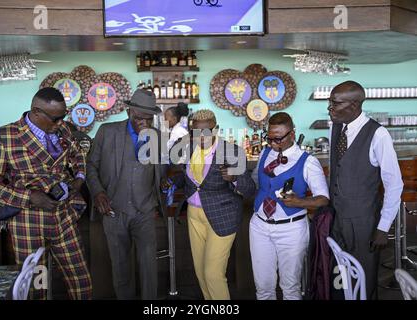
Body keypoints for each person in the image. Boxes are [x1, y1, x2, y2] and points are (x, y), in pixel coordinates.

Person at [0, 87, 92, 299]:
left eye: (63, 117)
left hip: (64, 216)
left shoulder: (64, 128)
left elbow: (78, 156)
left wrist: (79, 179)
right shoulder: (6, 136)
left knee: (81, 280)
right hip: (28, 222)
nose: (60, 123)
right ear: (36, 111)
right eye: (56, 118)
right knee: (36, 286)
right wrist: (30, 197)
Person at [165, 109, 255, 300]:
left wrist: (234, 177)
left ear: (216, 130)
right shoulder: (189, 150)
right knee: (200, 272)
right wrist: (173, 181)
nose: (201, 137)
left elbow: (249, 189)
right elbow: (192, 179)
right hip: (194, 216)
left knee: (213, 273)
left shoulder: (231, 152)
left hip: (222, 216)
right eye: (195, 133)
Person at [86, 89, 166, 300]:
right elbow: (91, 166)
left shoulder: (156, 136)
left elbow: (160, 170)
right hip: (114, 209)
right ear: (129, 111)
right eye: (139, 117)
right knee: (121, 267)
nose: (144, 122)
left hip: (145, 211)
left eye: (148, 118)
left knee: (149, 267)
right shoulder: (107, 131)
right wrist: (98, 193)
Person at [328, 81, 403, 300]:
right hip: (337, 218)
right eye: (330, 102)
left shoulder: (378, 135)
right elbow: (336, 172)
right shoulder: (335, 127)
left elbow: (394, 183)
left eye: (335, 102)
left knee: (363, 278)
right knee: (338, 275)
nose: (330, 107)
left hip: (364, 222)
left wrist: (383, 227)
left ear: (354, 105)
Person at [250, 112, 329, 300]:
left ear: (292, 134)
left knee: (290, 287)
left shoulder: (308, 162)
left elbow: (323, 199)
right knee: (263, 287)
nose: (272, 143)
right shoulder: (265, 153)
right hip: (259, 226)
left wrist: (299, 202)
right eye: (269, 138)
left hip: (291, 229)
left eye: (277, 139)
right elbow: (256, 182)